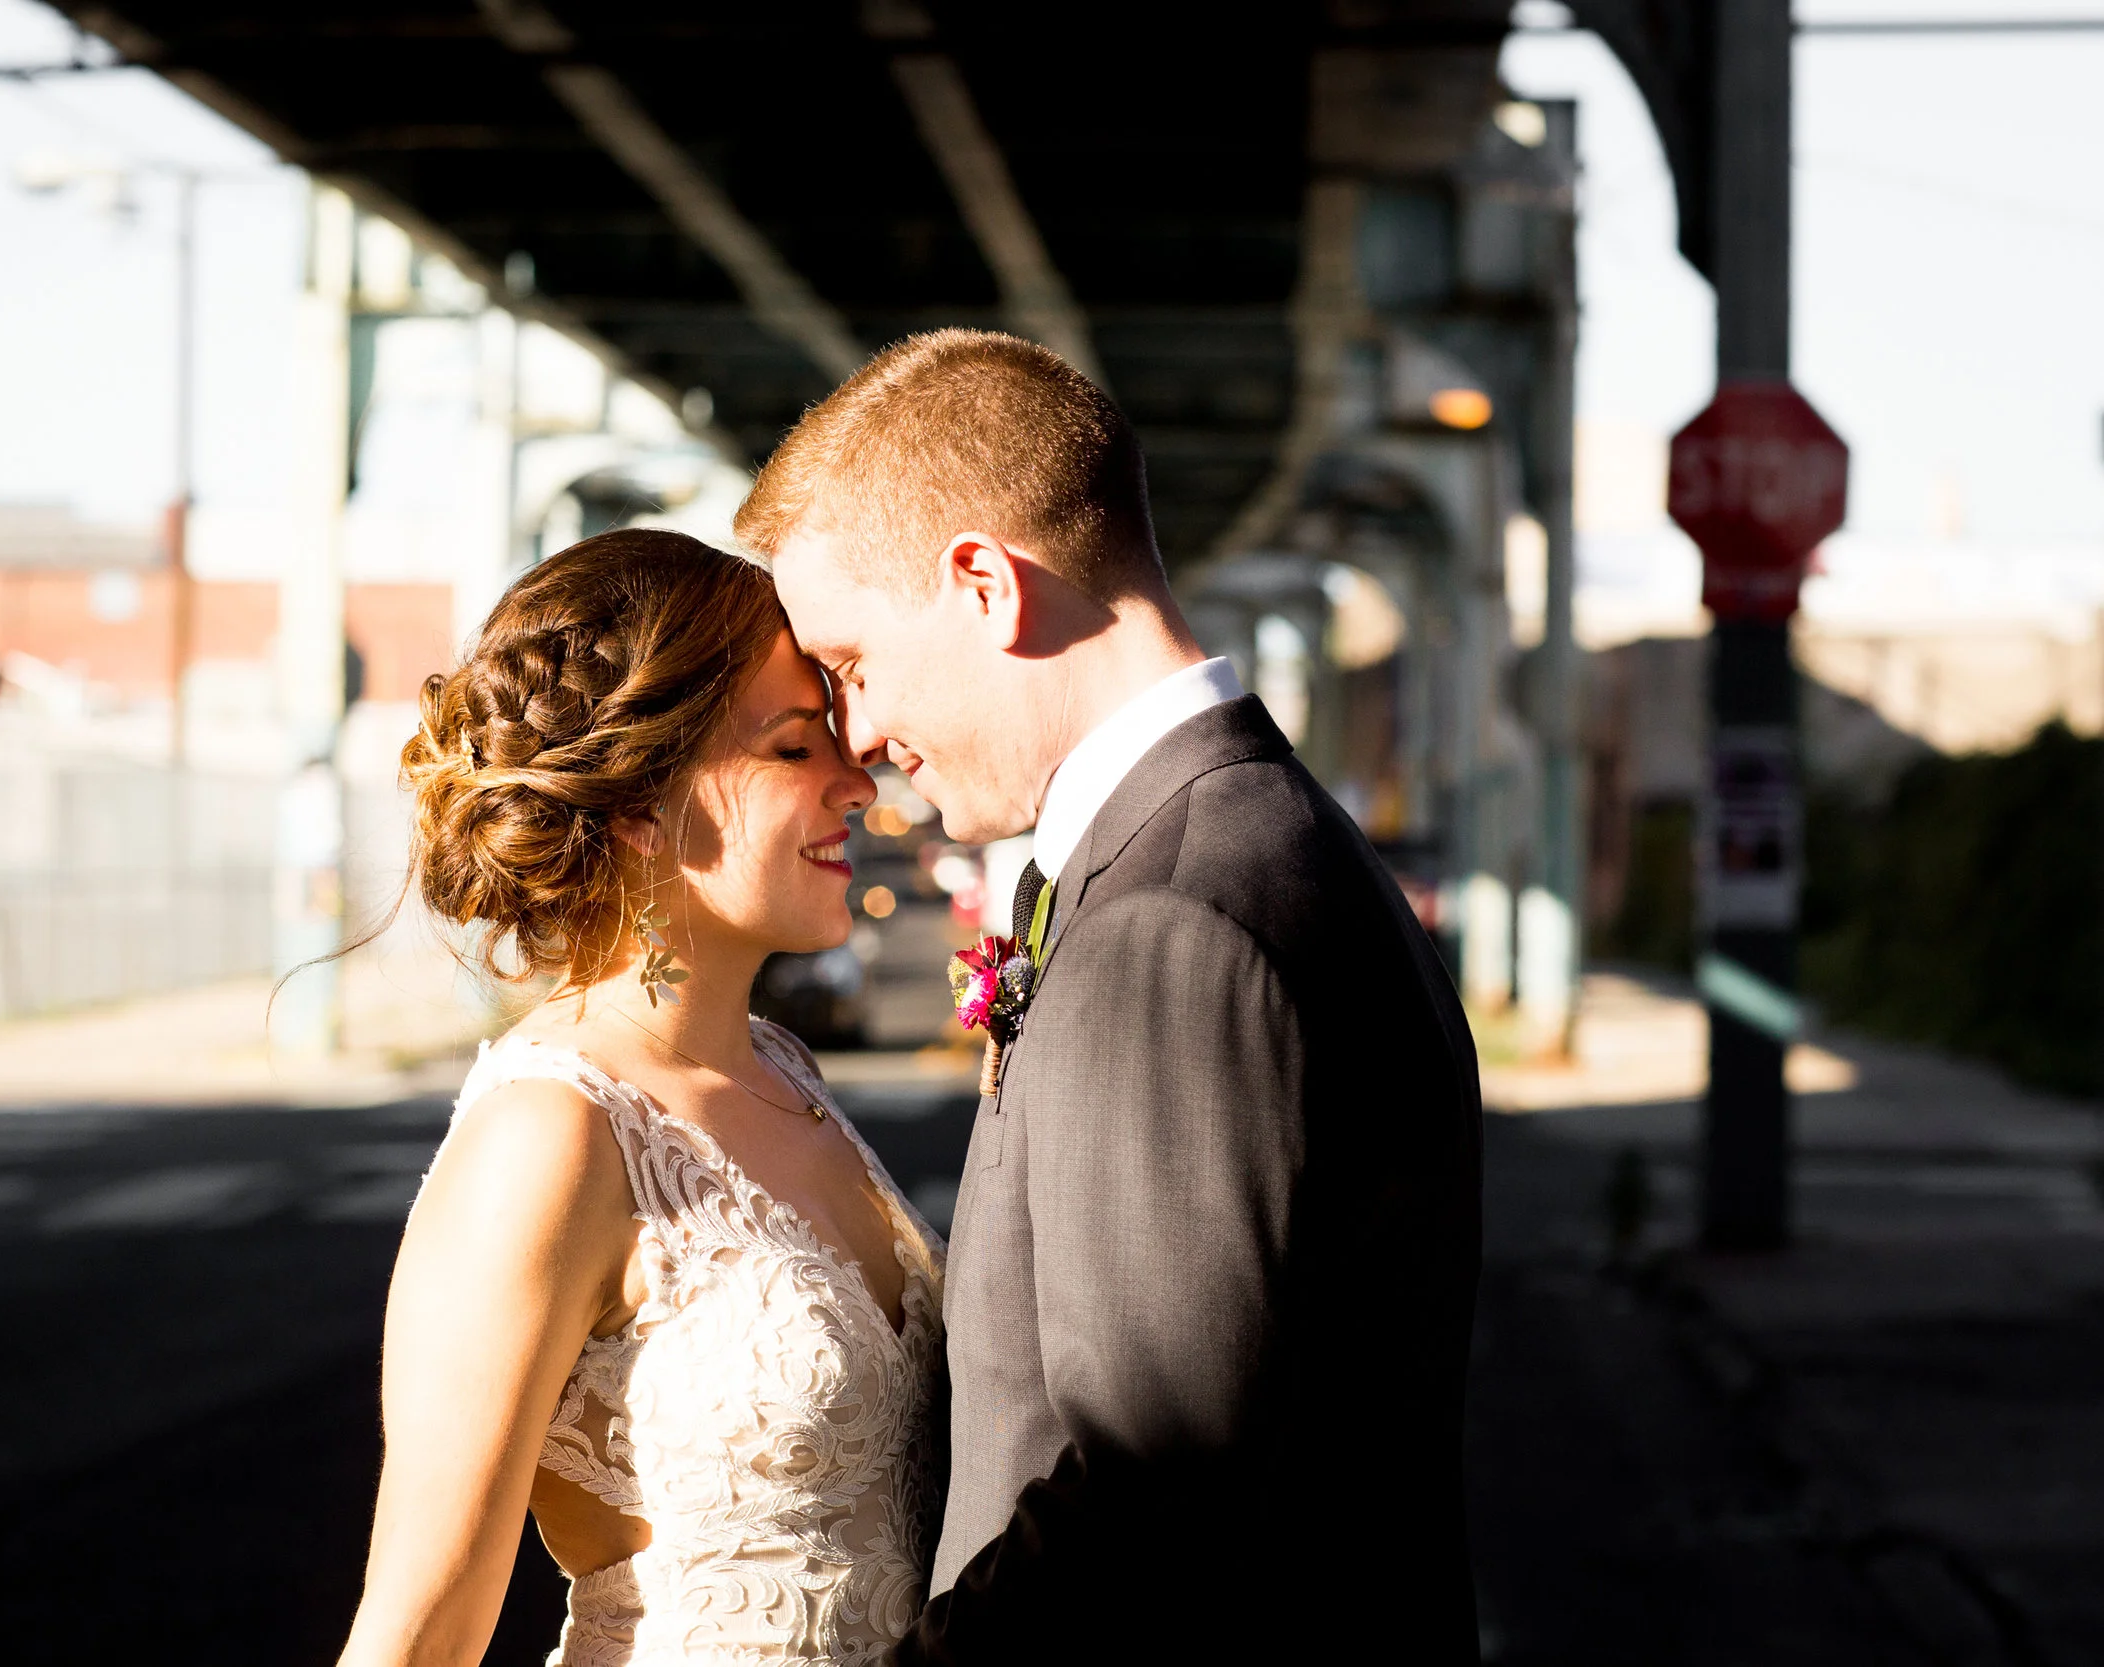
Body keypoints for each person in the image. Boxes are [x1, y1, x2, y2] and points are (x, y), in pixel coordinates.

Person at [737, 329, 1484, 1661]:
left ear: (984, 585)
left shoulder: (1169, 917)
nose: (859, 734)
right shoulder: (1264, 839)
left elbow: (1145, 1494)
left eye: (852, 664)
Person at [335, 529, 948, 1667]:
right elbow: (424, 1624)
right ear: (640, 802)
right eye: (794, 745)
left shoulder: (784, 1068)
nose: (859, 781)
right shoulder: (549, 1134)